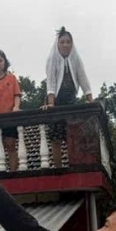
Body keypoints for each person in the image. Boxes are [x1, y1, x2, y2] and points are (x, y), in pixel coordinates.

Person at [43, 26, 92, 168]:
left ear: (72, 44)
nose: (65, 45)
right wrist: (51, 103)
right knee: (56, 139)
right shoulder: (52, 59)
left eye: (68, 42)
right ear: (57, 44)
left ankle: (74, 166)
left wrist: (90, 100)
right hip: (56, 100)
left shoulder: (76, 59)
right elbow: (51, 81)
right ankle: (58, 169)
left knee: (73, 136)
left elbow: (83, 79)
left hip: (71, 101)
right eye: (62, 42)